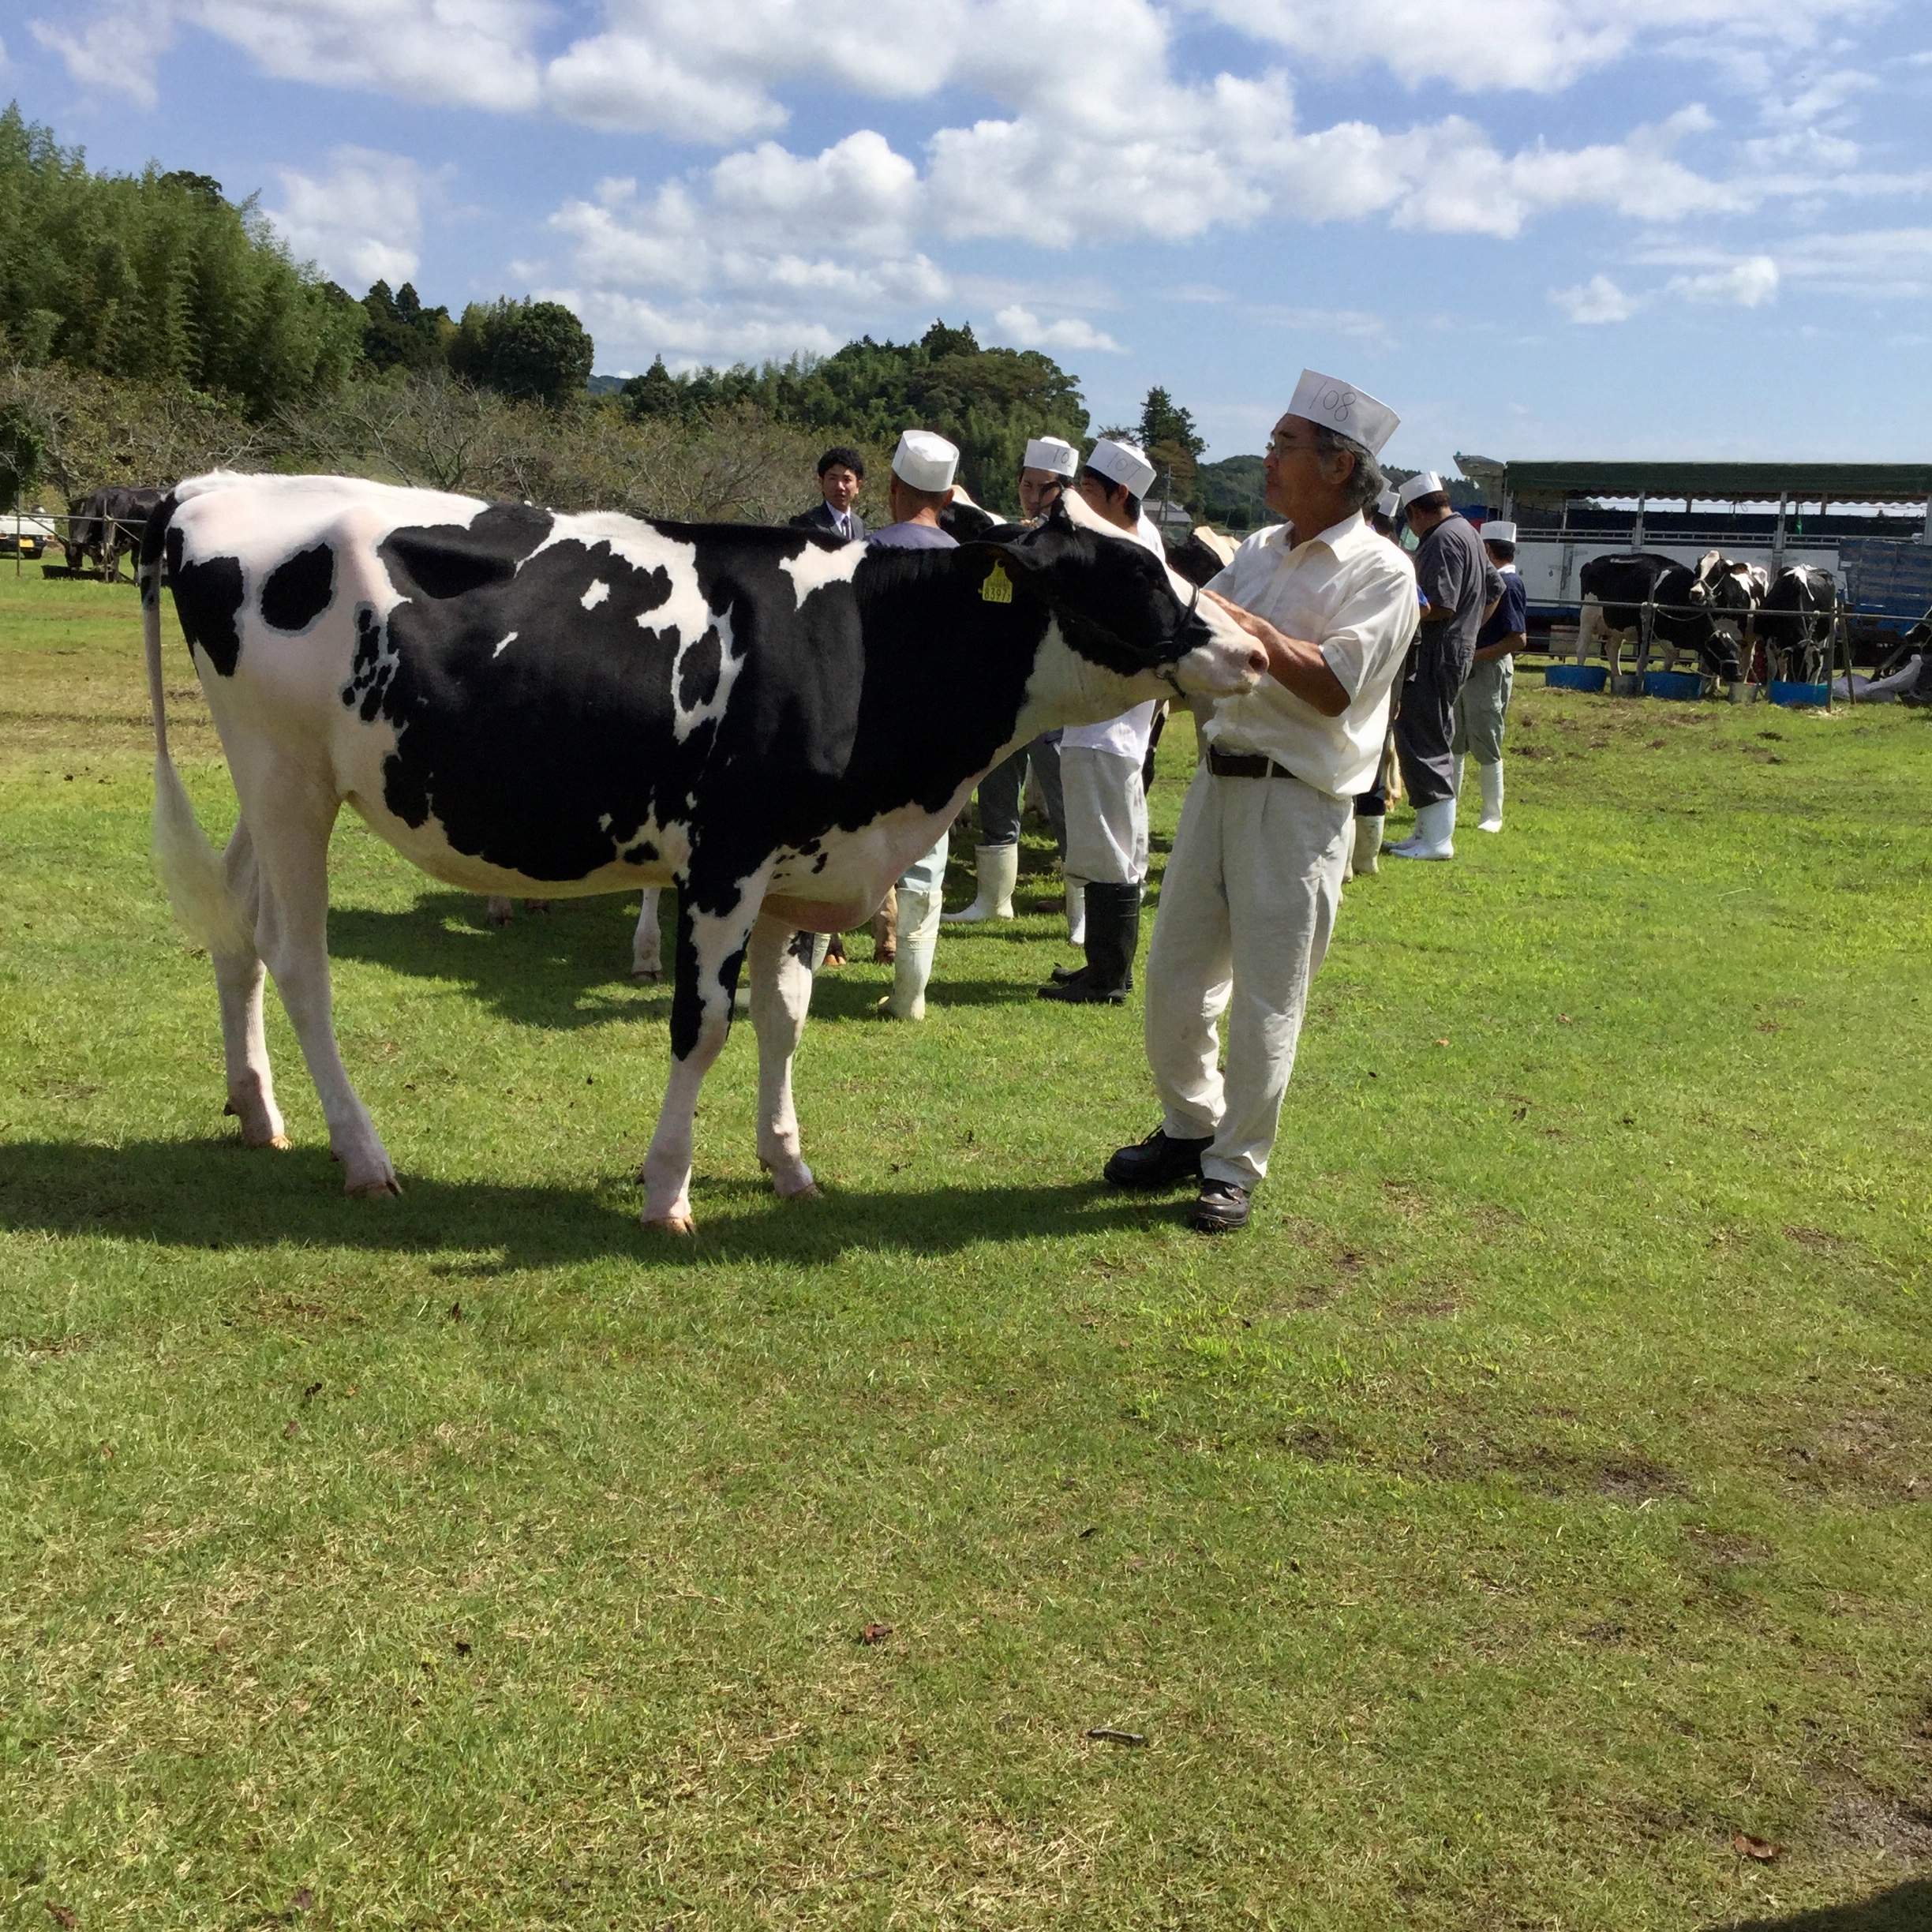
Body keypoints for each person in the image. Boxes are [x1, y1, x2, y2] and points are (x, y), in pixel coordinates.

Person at [1102, 369, 1417, 1233]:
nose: (1270, 457)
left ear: (1341, 465)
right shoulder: (1259, 550)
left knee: (1269, 996)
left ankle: (1235, 1164)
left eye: (1285, 445)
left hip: (1300, 800)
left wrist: (1240, 629)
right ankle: (1190, 1127)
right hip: (1220, 780)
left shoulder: (1384, 572)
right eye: (1274, 442)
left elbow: (1332, 688)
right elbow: (1206, 644)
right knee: (1173, 978)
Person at [1038, 436, 1163, 1005]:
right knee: (1117, 848)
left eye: (1088, 490)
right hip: (1114, 725)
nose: (1078, 500)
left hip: (1107, 723)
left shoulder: (1125, 552)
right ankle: (1105, 966)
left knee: (1110, 850)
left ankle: (1108, 975)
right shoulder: (1135, 543)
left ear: (1118, 494)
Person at [945, 434, 1080, 926]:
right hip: (1007, 684)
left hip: (1054, 686)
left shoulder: (1077, 540)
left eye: (1039, 487)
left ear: (1062, 489)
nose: (1029, 494)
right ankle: (993, 899)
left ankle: (1078, 905)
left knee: (1062, 789)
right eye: (1025, 484)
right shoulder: (1011, 532)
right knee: (998, 784)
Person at [871, 430, 962, 1020]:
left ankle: (797, 974)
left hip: (867, 727)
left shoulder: (862, 553)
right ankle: (912, 995)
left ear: (891, 489)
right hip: (942, 735)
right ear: (950, 497)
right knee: (927, 857)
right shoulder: (970, 566)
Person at [1383, 471, 1501, 862]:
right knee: (1433, 733)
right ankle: (1425, 832)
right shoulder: (1468, 532)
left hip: (1435, 652)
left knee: (1423, 737)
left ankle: (1437, 840)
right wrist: (1471, 630)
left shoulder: (1441, 539)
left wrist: (1398, 611)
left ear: (1416, 511)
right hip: (1455, 650)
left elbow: (1441, 604)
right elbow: (1494, 588)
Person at [1454, 519, 1526, 833]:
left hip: (1486, 669)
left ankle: (1492, 814)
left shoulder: (1508, 585)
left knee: (1487, 741)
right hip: (1469, 669)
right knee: (1455, 741)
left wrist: (1473, 656)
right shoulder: (1495, 580)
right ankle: (1449, 806)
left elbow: (1517, 639)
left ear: (1486, 549)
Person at [791, 447, 868, 542]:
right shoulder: (807, 524)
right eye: (833, 478)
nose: (840, 486)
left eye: (846, 480)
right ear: (822, 483)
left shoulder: (860, 526)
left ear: (858, 486)